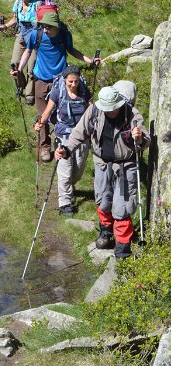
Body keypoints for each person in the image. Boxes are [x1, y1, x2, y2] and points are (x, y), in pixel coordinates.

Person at [60, 82, 150, 259]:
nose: (108, 112)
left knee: (122, 207)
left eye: (111, 109)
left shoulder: (132, 114)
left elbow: (146, 141)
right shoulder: (95, 111)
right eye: (105, 109)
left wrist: (139, 138)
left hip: (125, 166)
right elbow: (79, 132)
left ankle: (122, 248)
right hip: (102, 163)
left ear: (118, 104)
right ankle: (106, 233)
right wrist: (67, 149)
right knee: (103, 200)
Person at [11, 11, 100, 162]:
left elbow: (72, 50)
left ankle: (62, 139)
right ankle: (45, 147)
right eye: (44, 26)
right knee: (42, 114)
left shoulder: (64, 35)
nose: (45, 29)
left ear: (56, 27)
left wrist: (90, 60)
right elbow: (28, 51)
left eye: (49, 27)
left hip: (60, 80)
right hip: (40, 79)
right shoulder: (36, 35)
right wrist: (19, 69)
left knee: (60, 113)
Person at [34, 64, 91, 215]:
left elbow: (91, 110)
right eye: (70, 82)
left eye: (76, 81)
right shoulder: (58, 91)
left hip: (82, 136)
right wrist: (40, 123)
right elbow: (47, 111)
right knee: (65, 171)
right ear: (65, 80)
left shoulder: (84, 90)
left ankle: (68, 187)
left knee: (77, 171)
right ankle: (65, 203)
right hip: (63, 136)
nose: (73, 84)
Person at [0, 0, 40, 105]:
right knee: (15, 63)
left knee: (31, 66)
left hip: (34, 36)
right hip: (22, 34)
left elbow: (41, 21)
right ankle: (21, 85)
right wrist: (5, 26)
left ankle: (30, 94)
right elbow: (15, 19)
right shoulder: (18, 3)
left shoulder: (37, 4)